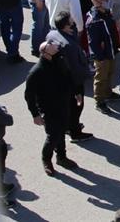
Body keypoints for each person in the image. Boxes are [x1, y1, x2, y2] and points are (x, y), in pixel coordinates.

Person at [24, 39, 78, 176]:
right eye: (51, 44)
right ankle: (46, 159)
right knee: (53, 135)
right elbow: (29, 95)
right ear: (45, 52)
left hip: (63, 104)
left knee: (62, 130)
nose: (56, 46)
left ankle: (61, 157)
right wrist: (35, 114)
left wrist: (76, 92)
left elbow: (68, 76)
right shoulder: (36, 72)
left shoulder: (59, 61)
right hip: (49, 110)